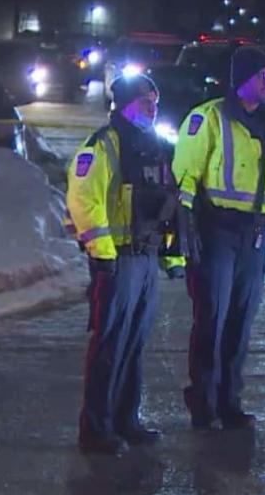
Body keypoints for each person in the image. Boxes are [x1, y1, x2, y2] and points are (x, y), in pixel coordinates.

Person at [172, 46, 265, 431]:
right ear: (243, 78)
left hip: (255, 236)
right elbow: (186, 175)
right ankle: (204, 402)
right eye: (263, 75)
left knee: (241, 321)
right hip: (217, 231)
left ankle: (229, 402)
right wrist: (185, 222)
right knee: (212, 316)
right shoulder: (207, 118)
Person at [65, 73, 184, 455]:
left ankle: (126, 420)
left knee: (134, 343)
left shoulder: (158, 147)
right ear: (124, 104)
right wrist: (102, 255)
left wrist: (171, 252)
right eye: (145, 100)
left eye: (155, 100)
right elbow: (85, 200)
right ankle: (96, 427)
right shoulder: (103, 145)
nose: (152, 107)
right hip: (117, 260)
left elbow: (169, 203)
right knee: (110, 344)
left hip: (146, 257)